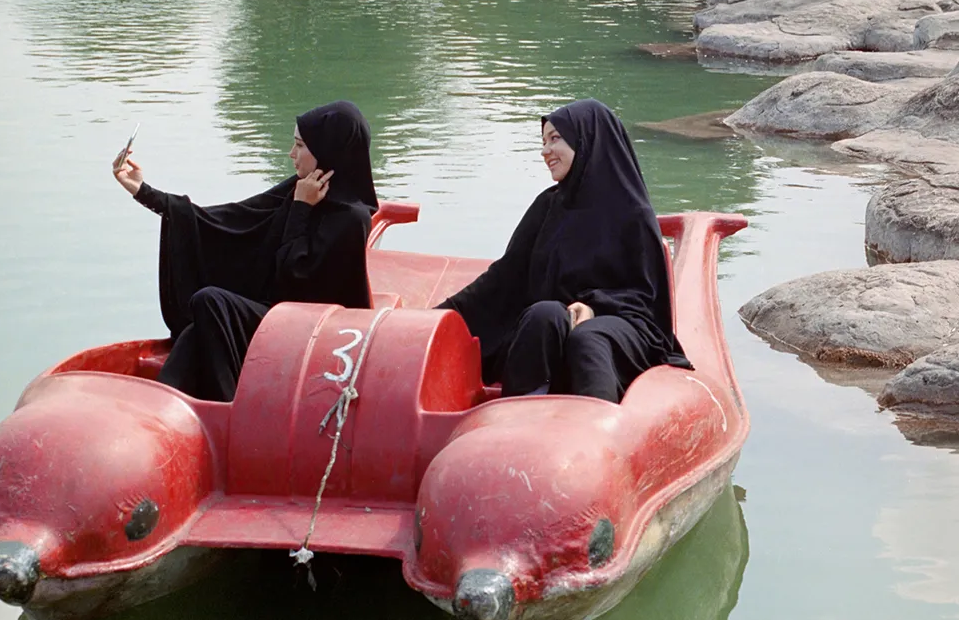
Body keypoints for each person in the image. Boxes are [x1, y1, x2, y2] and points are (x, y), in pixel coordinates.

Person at [113, 102, 378, 401]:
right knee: (196, 330)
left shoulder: (351, 218)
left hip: (310, 334)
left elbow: (294, 280)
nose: (291, 154)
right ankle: (161, 402)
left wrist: (301, 209)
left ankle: (227, 404)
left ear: (329, 150)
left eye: (300, 145)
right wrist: (143, 191)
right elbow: (231, 220)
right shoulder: (300, 188)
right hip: (275, 314)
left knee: (210, 303)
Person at [438, 100, 689, 402]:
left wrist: (594, 308)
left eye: (555, 138)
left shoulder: (631, 213)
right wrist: (439, 319)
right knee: (543, 315)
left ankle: (598, 432)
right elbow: (504, 278)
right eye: (543, 141)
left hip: (622, 323)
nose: (545, 151)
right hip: (553, 325)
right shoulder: (547, 207)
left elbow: (645, 297)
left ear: (586, 140)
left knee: (588, 339)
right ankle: (517, 417)